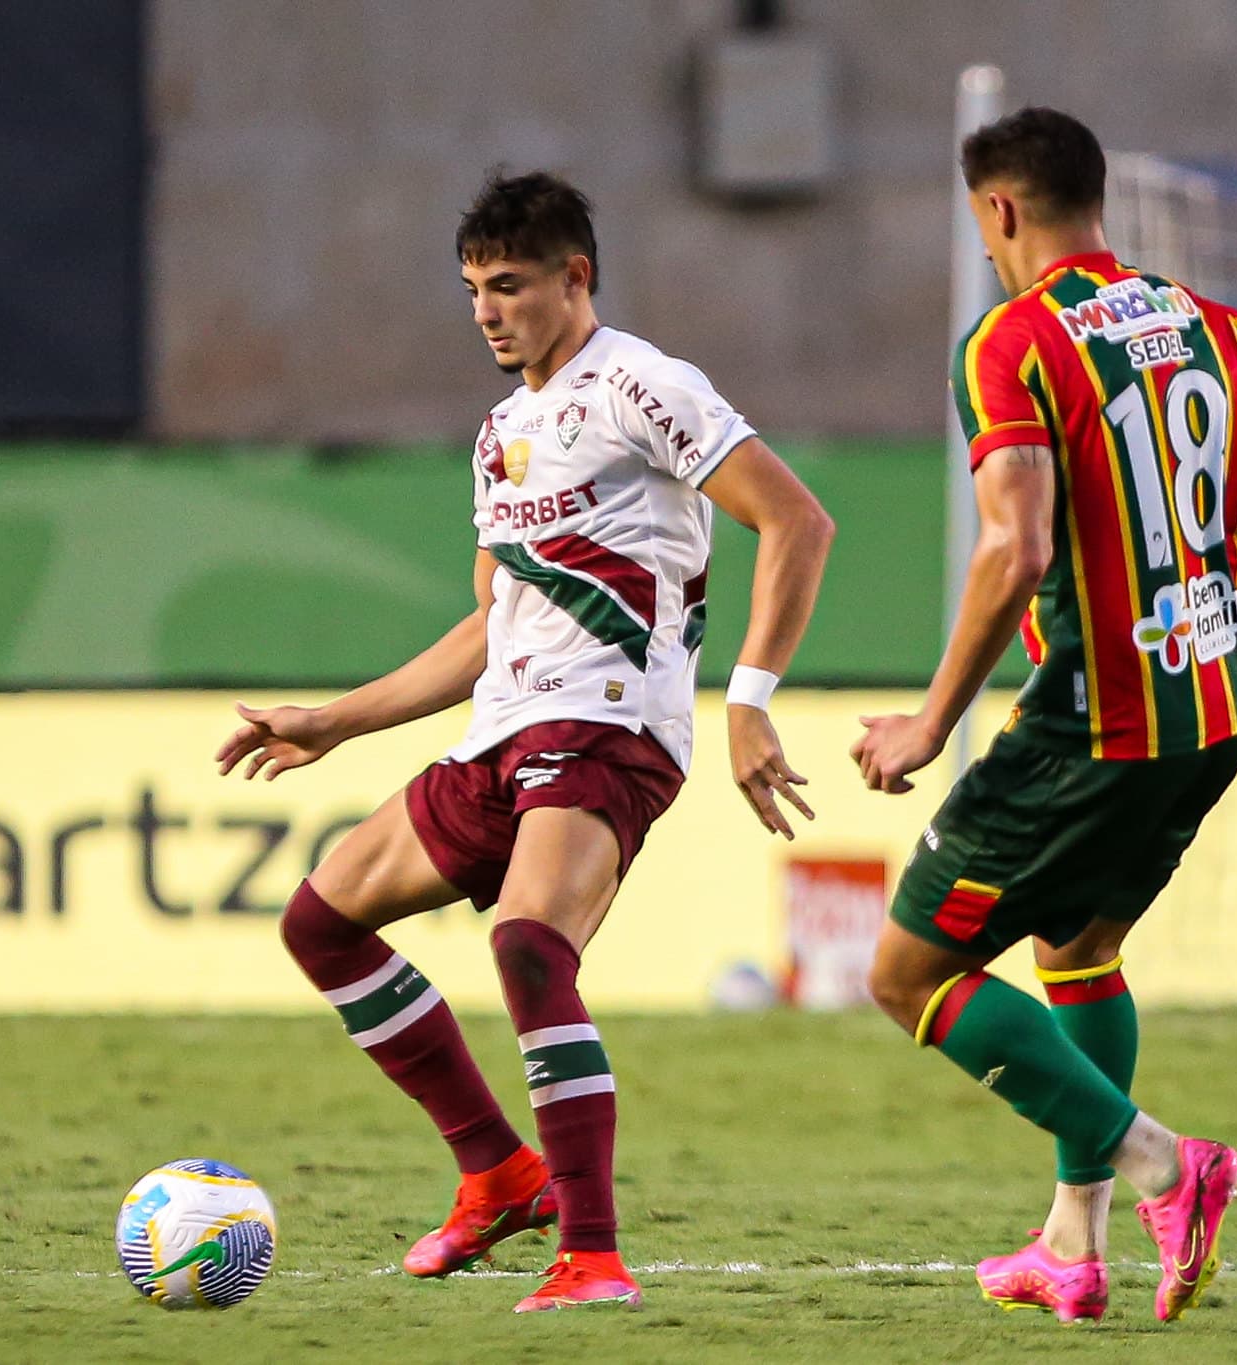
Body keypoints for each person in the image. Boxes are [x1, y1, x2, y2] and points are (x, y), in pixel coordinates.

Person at [218, 170, 834, 1313]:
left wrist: (748, 698)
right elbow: (490, 628)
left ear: (574, 277)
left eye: (507, 286)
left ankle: (591, 1255)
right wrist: (333, 720)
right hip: (506, 730)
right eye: (471, 290)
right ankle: (498, 1173)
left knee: (526, 946)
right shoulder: (499, 433)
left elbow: (796, 518)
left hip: (609, 727)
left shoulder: (644, 387)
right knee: (321, 921)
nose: (486, 311)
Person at [853, 107, 1237, 1326]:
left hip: (1091, 726)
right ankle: (1068, 1247)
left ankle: (1162, 1164)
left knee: (905, 973)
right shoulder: (1209, 324)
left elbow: (1015, 544)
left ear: (997, 211)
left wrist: (932, 720)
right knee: (1078, 950)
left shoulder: (1013, 344)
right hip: (1214, 712)